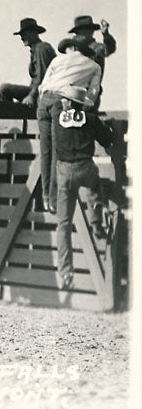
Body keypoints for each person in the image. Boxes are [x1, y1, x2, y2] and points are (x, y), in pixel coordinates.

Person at [52, 85, 114, 289]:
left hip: (64, 172)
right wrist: (106, 127)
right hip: (85, 167)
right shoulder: (91, 119)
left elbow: (54, 107)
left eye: (65, 99)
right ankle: (96, 223)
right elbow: (107, 140)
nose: (62, 101)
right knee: (94, 187)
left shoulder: (57, 118)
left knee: (63, 224)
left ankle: (66, 273)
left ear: (68, 103)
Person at [37, 35, 101, 214]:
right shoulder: (94, 66)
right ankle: (53, 200)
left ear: (72, 47)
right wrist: (80, 107)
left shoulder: (58, 60)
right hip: (62, 101)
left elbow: (43, 85)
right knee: (58, 151)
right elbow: (92, 95)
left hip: (44, 101)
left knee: (45, 151)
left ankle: (45, 196)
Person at [0, 18, 56, 108]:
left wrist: (31, 96)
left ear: (33, 33)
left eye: (24, 34)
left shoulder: (41, 49)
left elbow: (42, 76)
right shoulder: (36, 49)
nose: (22, 38)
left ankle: (10, 113)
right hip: (39, 91)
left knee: (4, 88)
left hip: (44, 92)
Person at [69, 15, 117, 109]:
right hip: (72, 94)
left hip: (90, 94)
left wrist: (106, 35)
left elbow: (109, 48)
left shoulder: (97, 48)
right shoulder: (72, 48)